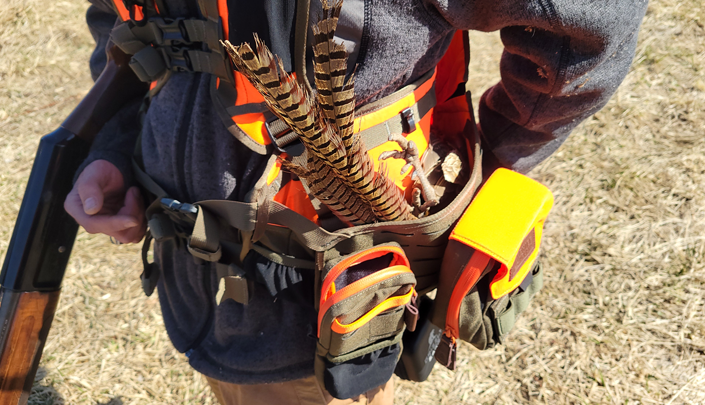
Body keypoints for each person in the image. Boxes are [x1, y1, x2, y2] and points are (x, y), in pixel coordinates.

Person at [64, 0, 648, 403]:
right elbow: (122, 25)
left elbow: (595, 26)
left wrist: (491, 159)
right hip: (194, 296)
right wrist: (115, 144)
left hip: (326, 312)